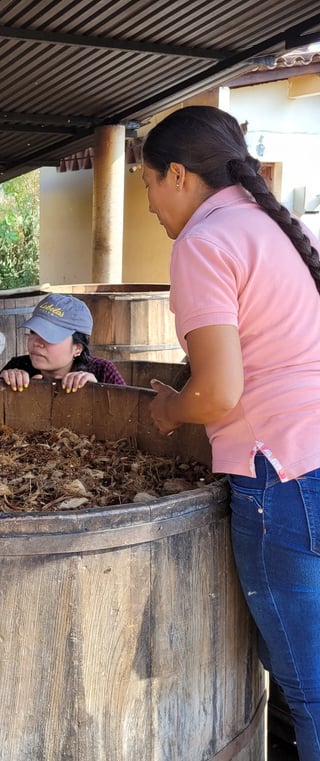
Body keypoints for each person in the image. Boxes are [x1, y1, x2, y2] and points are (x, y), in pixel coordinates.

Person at [142, 105, 320, 761]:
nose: (154, 206)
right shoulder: (274, 225)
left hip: (284, 474)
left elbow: (219, 391)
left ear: (179, 176)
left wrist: (169, 412)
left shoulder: (203, 242)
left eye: (150, 185)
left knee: (310, 690)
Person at [0, 293, 126, 392]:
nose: (36, 342)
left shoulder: (103, 372)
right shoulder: (17, 366)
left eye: (49, 336)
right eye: (33, 332)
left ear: (78, 348)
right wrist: (3, 384)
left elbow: (130, 415)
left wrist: (98, 390)